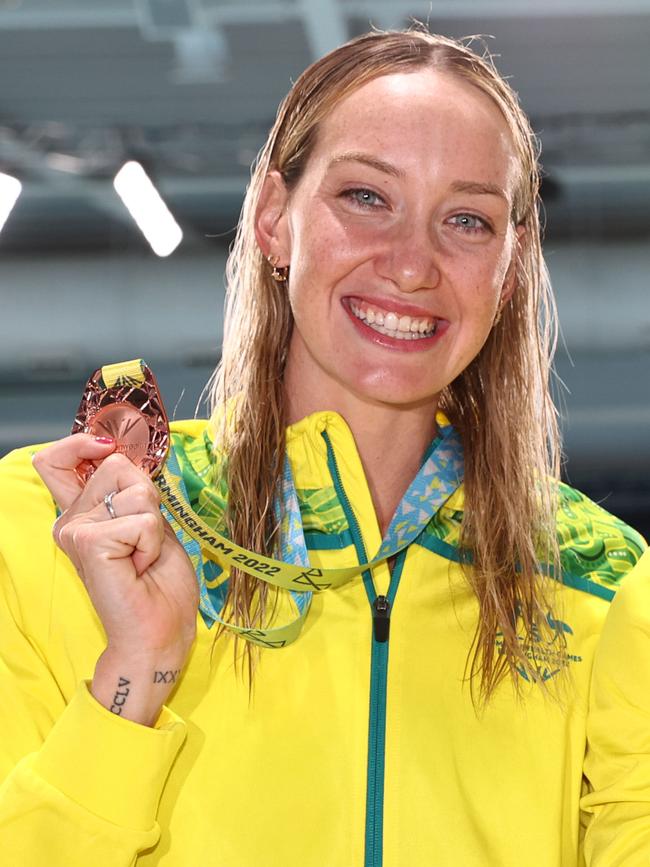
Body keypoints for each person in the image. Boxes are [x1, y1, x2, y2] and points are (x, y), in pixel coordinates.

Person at [0, 27, 648, 867]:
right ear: (275, 219)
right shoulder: (75, 524)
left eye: (467, 219)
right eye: (366, 198)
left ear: (512, 265)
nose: (412, 265)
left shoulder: (603, 583)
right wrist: (136, 673)